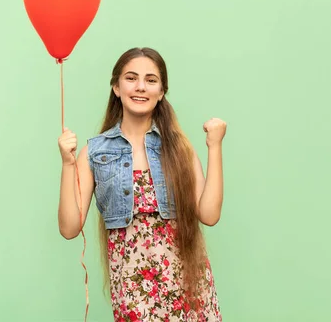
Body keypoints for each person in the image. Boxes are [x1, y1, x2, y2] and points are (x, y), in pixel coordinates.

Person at [58, 47, 226, 322]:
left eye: (151, 80)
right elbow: (69, 228)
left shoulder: (178, 148)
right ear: (116, 87)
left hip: (187, 287)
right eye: (131, 78)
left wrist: (215, 146)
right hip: (134, 289)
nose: (140, 87)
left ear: (161, 91)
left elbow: (209, 215)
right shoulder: (94, 152)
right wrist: (67, 164)